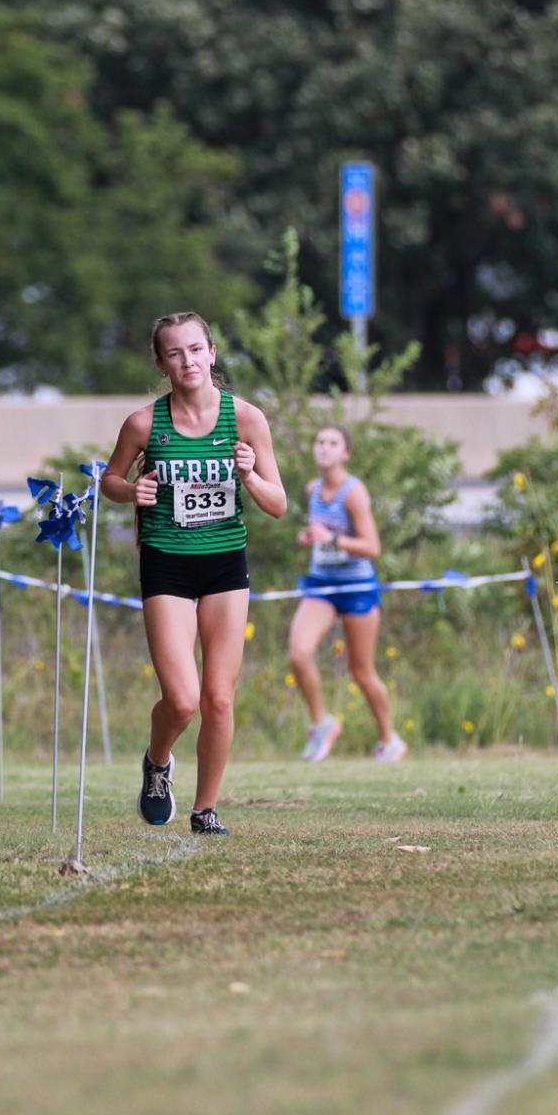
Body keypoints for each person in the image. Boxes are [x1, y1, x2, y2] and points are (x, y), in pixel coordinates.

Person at [100, 312, 287, 834]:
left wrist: (249, 476)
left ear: (212, 354)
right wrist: (128, 491)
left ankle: (205, 810)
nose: (188, 361)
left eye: (195, 349)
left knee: (218, 697)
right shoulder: (144, 424)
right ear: (161, 363)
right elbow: (110, 479)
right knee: (182, 700)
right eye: (175, 353)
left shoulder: (246, 419)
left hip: (226, 563)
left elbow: (279, 504)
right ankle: (158, 761)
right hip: (167, 563)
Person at [287, 424, 406, 762]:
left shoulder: (354, 493)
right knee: (298, 653)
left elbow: (372, 547)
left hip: (357, 587)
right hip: (322, 583)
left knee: (361, 670)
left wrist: (334, 540)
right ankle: (322, 723)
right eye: (320, 441)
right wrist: (310, 537)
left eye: (332, 443)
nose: (324, 448)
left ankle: (389, 739)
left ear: (345, 453)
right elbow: (322, 533)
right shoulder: (312, 489)